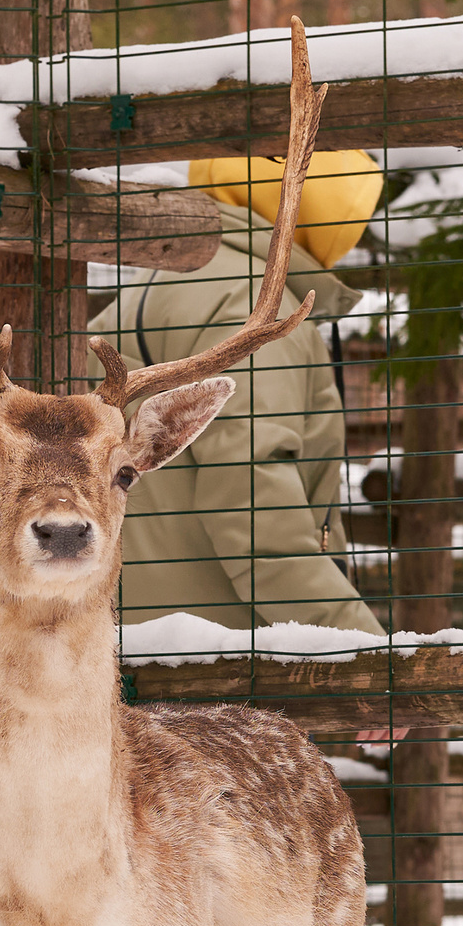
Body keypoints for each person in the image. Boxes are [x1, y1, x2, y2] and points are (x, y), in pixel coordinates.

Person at [88, 149, 391, 926]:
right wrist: (358, 655)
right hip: (217, 684)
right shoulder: (267, 318)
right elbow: (252, 509)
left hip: (110, 676)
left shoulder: (128, 302)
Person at [93, 148, 387, 637]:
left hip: (127, 638)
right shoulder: (256, 309)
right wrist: (365, 657)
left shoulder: (151, 285)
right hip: (228, 658)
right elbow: (256, 508)